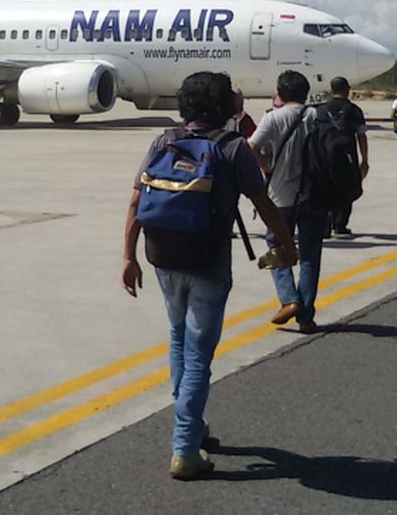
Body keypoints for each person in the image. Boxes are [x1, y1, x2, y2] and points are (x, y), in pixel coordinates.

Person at [123, 71, 297, 481]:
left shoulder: (163, 141)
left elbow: (135, 201)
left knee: (179, 339)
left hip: (162, 256)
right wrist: (286, 246)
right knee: (199, 354)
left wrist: (128, 257)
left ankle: (194, 426)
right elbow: (264, 203)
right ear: (225, 108)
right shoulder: (233, 148)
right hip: (208, 262)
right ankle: (185, 448)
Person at [247, 70, 329, 335]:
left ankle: (288, 299)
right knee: (310, 253)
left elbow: (251, 147)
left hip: (281, 195)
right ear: (306, 93)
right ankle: (306, 315)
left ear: (279, 94)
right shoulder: (319, 116)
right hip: (314, 194)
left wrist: (266, 168)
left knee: (276, 244)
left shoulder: (273, 117)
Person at [322, 76, 368, 236]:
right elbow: (361, 136)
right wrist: (365, 160)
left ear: (331, 90)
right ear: (347, 90)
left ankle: (325, 224)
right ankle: (340, 224)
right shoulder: (354, 110)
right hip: (347, 155)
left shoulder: (321, 109)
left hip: (325, 154)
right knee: (348, 187)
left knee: (326, 188)